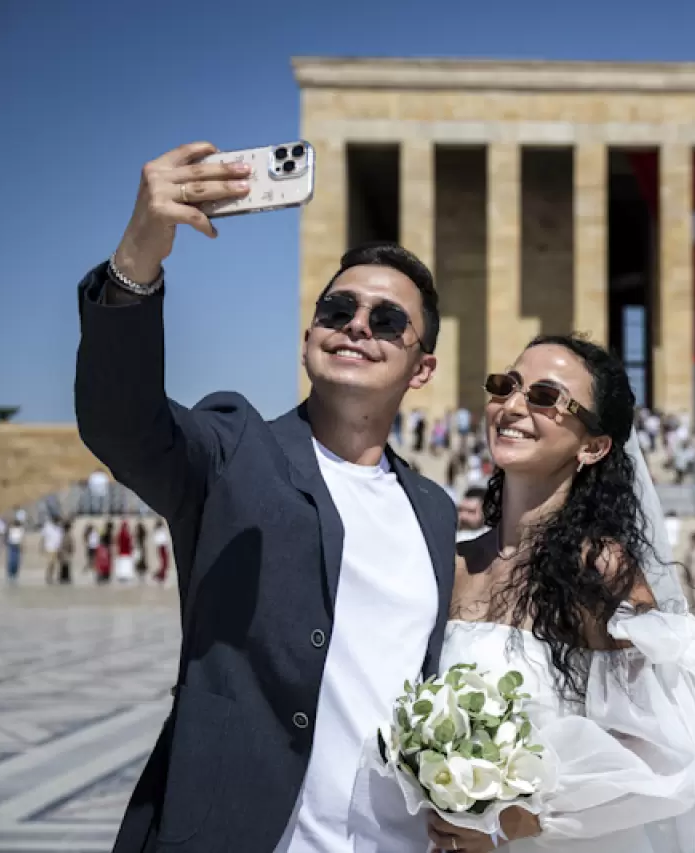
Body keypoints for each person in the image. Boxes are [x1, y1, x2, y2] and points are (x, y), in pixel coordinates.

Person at [75, 142, 457, 852]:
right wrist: (136, 263)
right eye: (339, 308)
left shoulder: (433, 509)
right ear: (309, 334)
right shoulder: (236, 450)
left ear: (422, 366)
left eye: (386, 321)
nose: (356, 326)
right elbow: (121, 423)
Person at [367, 334, 695, 852]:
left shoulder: (599, 569)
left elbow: (660, 753)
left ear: (593, 446)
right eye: (506, 386)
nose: (513, 406)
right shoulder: (453, 562)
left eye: (545, 397)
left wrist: (514, 820)